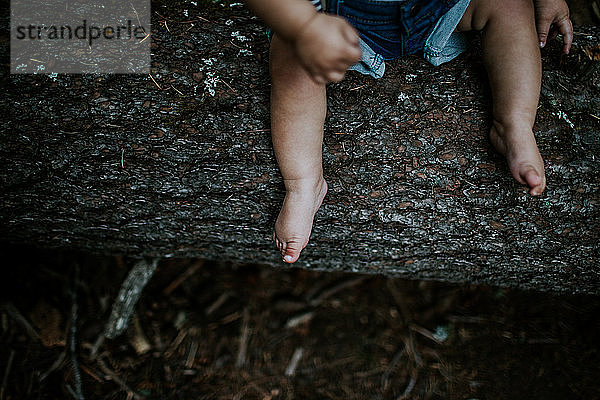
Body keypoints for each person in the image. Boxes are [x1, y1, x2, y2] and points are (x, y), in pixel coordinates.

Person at [244, 0, 574, 263]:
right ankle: (304, 184)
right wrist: (304, 26)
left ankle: (514, 121)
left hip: (438, 7)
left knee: (510, 6)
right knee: (289, 51)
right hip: (340, 21)